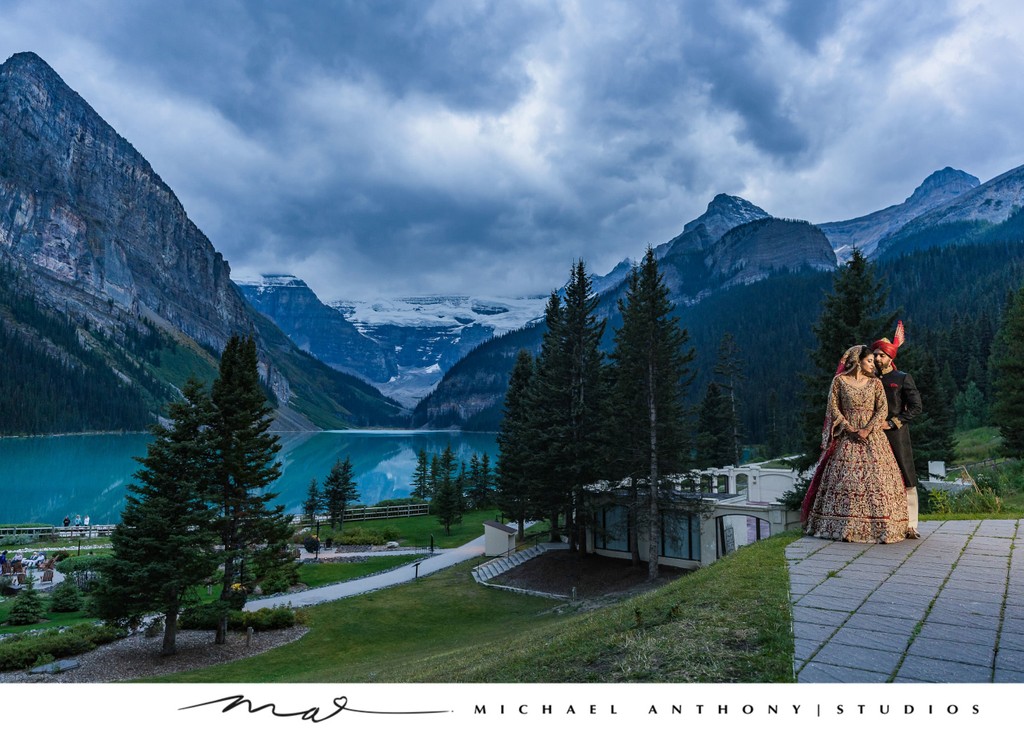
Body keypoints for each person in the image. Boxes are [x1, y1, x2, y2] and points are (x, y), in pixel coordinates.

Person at [803, 345, 909, 543]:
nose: (873, 364)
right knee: (845, 481)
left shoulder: (875, 383)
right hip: (847, 435)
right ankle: (840, 526)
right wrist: (848, 428)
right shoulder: (839, 381)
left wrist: (867, 429)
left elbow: (882, 409)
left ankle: (884, 527)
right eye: (869, 360)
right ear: (857, 361)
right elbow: (833, 407)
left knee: (879, 481)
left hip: (873, 436)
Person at [873, 322, 923, 539]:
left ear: (890, 357)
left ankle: (912, 525)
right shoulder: (869, 379)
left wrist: (894, 422)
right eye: (875, 355)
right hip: (873, 435)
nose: (877, 359)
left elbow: (916, 407)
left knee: (906, 477)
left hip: (896, 434)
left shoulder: (902, 377)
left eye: (881, 355)